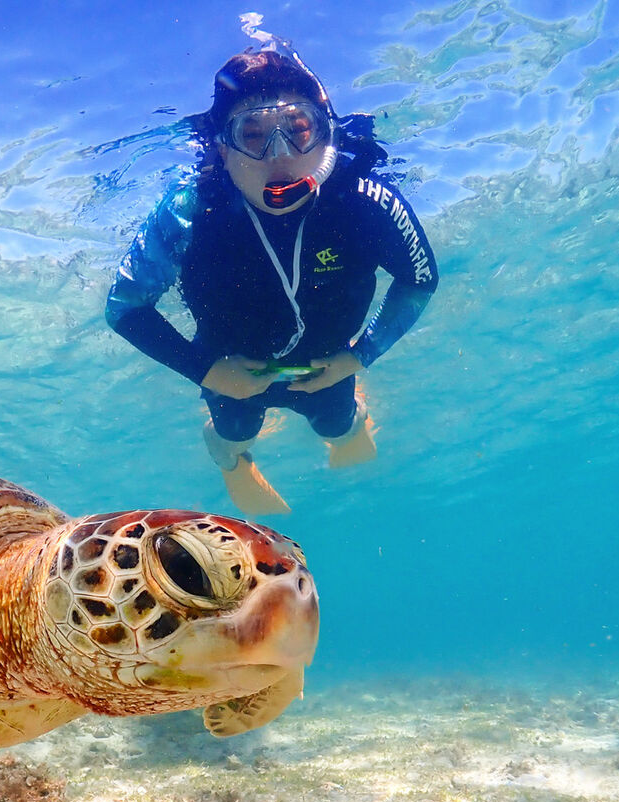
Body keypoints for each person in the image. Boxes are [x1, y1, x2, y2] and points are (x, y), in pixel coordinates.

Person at [106, 41, 438, 515]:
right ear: (222, 150)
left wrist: (359, 357)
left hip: (328, 366)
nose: (280, 155)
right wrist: (207, 371)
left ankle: (349, 424)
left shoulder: (366, 202)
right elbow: (125, 306)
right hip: (230, 368)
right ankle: (227, 455)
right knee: (233, 433)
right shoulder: (189, 212)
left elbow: (420, 280)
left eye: (299, 130)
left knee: (338, 424)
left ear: (326, 140)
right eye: (254, 134)